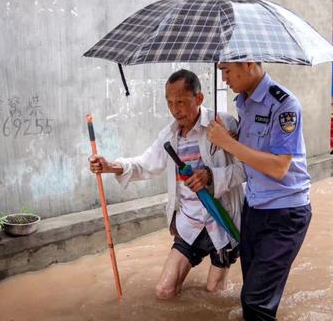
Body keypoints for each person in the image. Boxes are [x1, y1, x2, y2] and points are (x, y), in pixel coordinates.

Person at [89, 69, 245, 299]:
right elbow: (145, 164)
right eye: (170, 103)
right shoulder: (169, 136)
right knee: (164, 291)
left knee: (214, 294)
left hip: (222, 222)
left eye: (181, 102)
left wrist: (211, 176)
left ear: (199, 98)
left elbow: (246, 169)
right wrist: (111, 166)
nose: (175, 110)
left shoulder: (224, 124)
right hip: (190, 223)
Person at [207, 62, 312, 321]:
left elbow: (279, 167)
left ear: (250, 63)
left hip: (285, 213)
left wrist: (229, 143)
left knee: (256, 303)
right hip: (254, 207)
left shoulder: (285, 105)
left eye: (228, 70)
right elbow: (253, 153)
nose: (224, 78)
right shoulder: (245, 102)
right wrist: (231, 138)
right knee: (251, 296)